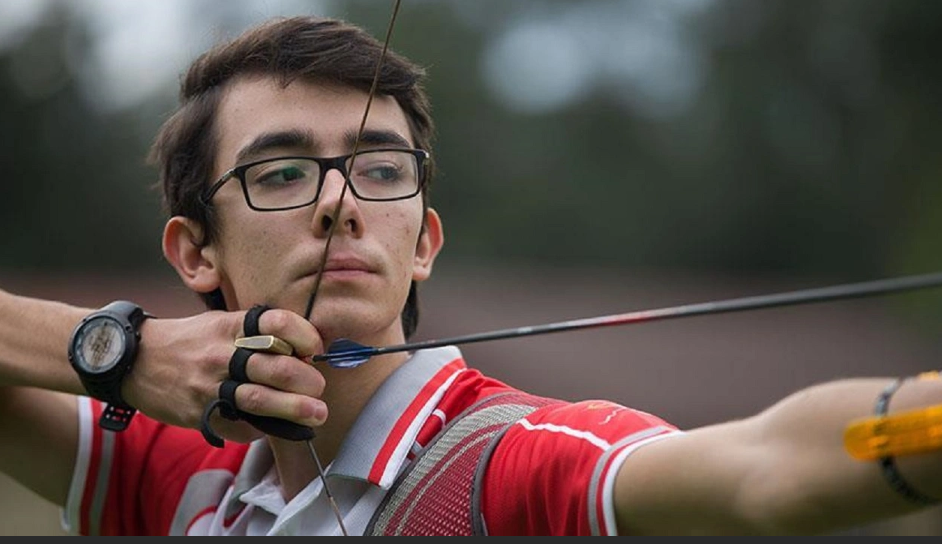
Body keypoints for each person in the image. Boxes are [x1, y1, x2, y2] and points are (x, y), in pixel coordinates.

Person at [1, 14, 941, 536]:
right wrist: (118, 355)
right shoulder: (182, 478)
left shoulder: (506, 463)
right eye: (282, 172)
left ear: (424, 240)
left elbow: (768, 466)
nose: (339, 204)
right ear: (194, 252)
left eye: (380, 168)